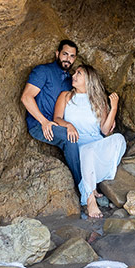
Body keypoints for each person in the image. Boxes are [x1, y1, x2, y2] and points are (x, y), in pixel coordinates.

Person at [53, 64, 126, 218]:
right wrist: (68, 125)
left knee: (119, 139)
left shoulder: (99, 101)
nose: (74, 75)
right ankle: (90, 199)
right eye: (75, 72)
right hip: (78, 146)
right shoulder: (65, 96)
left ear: (89, 80)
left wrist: (113, 108)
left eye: (79, 73)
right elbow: (57, 118)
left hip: (96, 146)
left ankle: (91, 183)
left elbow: (105, 130)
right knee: (86, 151)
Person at [20, 40, 82, 185]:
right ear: (57, 54)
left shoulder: (70, 81)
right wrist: (44, 121)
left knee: (84, 138)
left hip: (58, 124)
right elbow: (26, 97)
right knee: (70, 138)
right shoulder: (43, 71)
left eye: (72, 56)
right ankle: (84, 189)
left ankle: (96, 183)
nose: (68, 59)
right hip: (39, 125)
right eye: (65, 54)